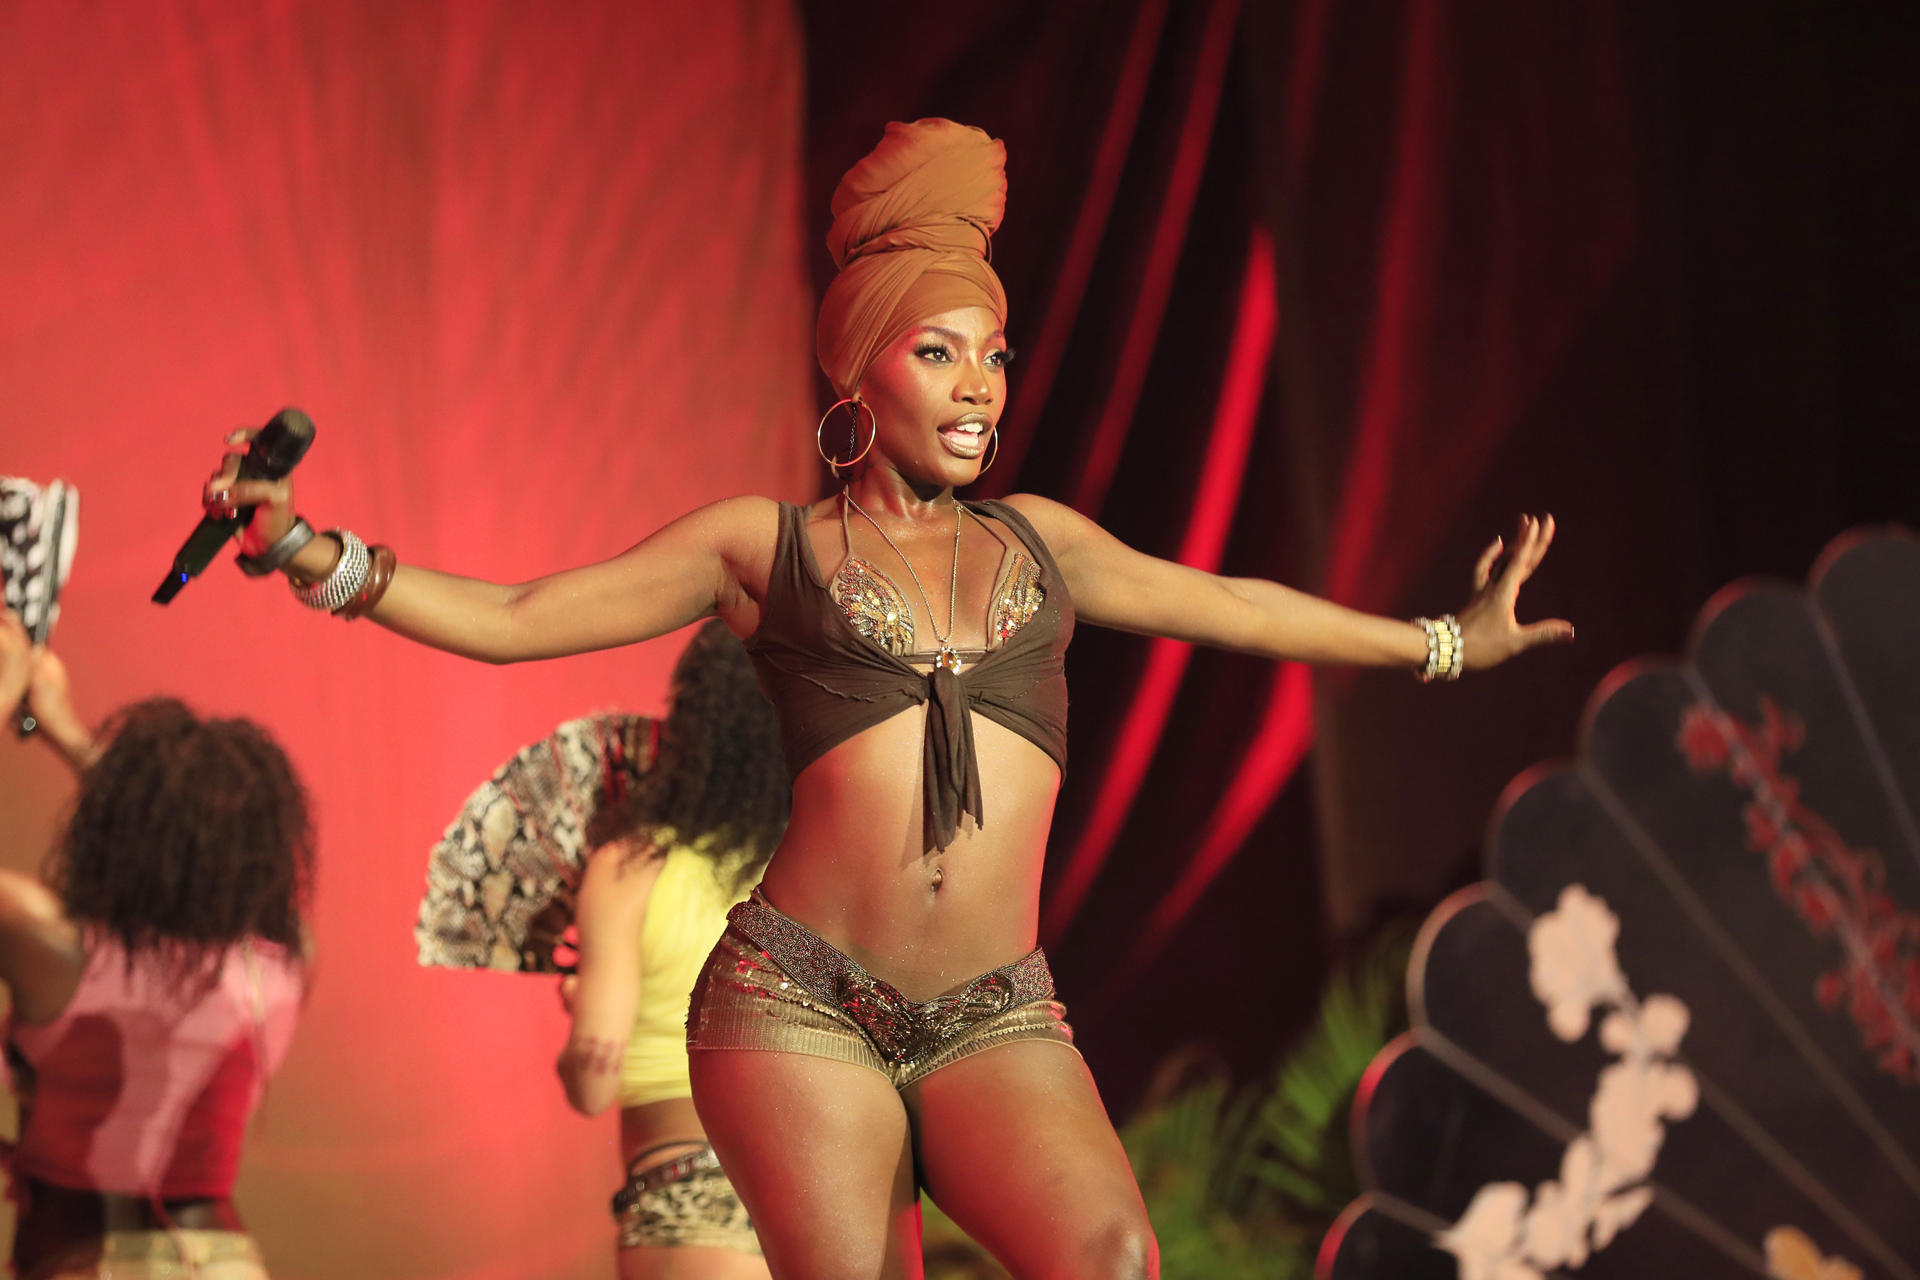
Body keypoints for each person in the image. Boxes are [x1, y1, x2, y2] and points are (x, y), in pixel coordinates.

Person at [198, 118, 1572, 1279]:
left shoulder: (1042, 546)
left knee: (1114, 1257)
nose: (979, 387)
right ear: (858, 371)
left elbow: (1243, 607)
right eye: (938, 353)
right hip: (797, 1002)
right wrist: (314, 553)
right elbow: (516, 618)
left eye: (995, 356)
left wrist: (1445, 642)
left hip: (994, 1012)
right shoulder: (766, 549)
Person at [0, 610, 309, 1280]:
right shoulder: (280, 966)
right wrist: (64, 729)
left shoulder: (47, 943)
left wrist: (10, 698)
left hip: (94, 1263)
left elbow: (154, 831)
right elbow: (186, 842)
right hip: (227, 1263)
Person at [549, 621, 788, 1278]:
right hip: (815, 1199)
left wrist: (579, 1010)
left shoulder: (633, 866)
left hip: (689, 1202)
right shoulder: (808, 867)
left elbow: (593, 1085)